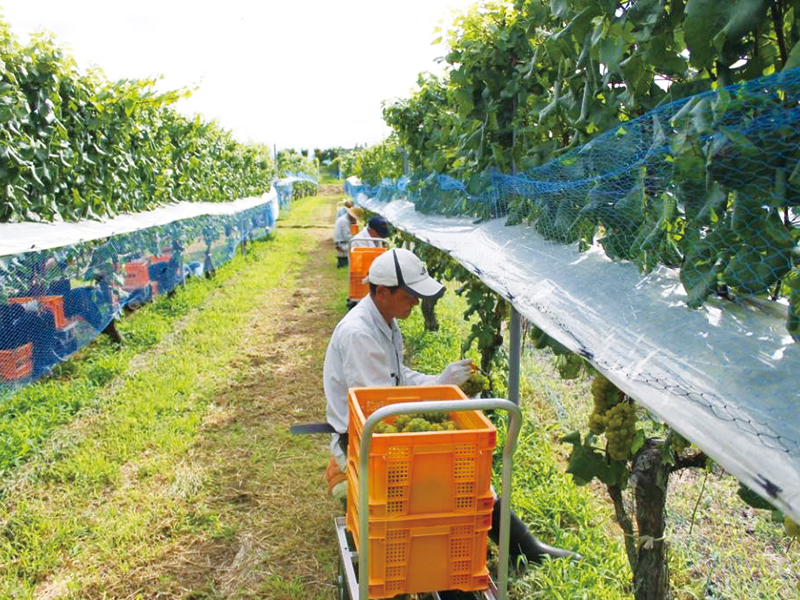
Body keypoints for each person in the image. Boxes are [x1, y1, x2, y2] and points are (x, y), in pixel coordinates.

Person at [322, 248, 581, 576]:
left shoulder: (381, 319)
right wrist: (438, 393)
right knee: (455, 479)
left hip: (380, 432)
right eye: (410, 295)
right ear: (383, 291)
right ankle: (497, 555)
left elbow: (397, 378)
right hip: (362, 442)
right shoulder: (360, 334)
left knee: (465, 473)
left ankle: (525, 549)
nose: (416, 303)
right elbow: (380, 407)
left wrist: (438, 380)